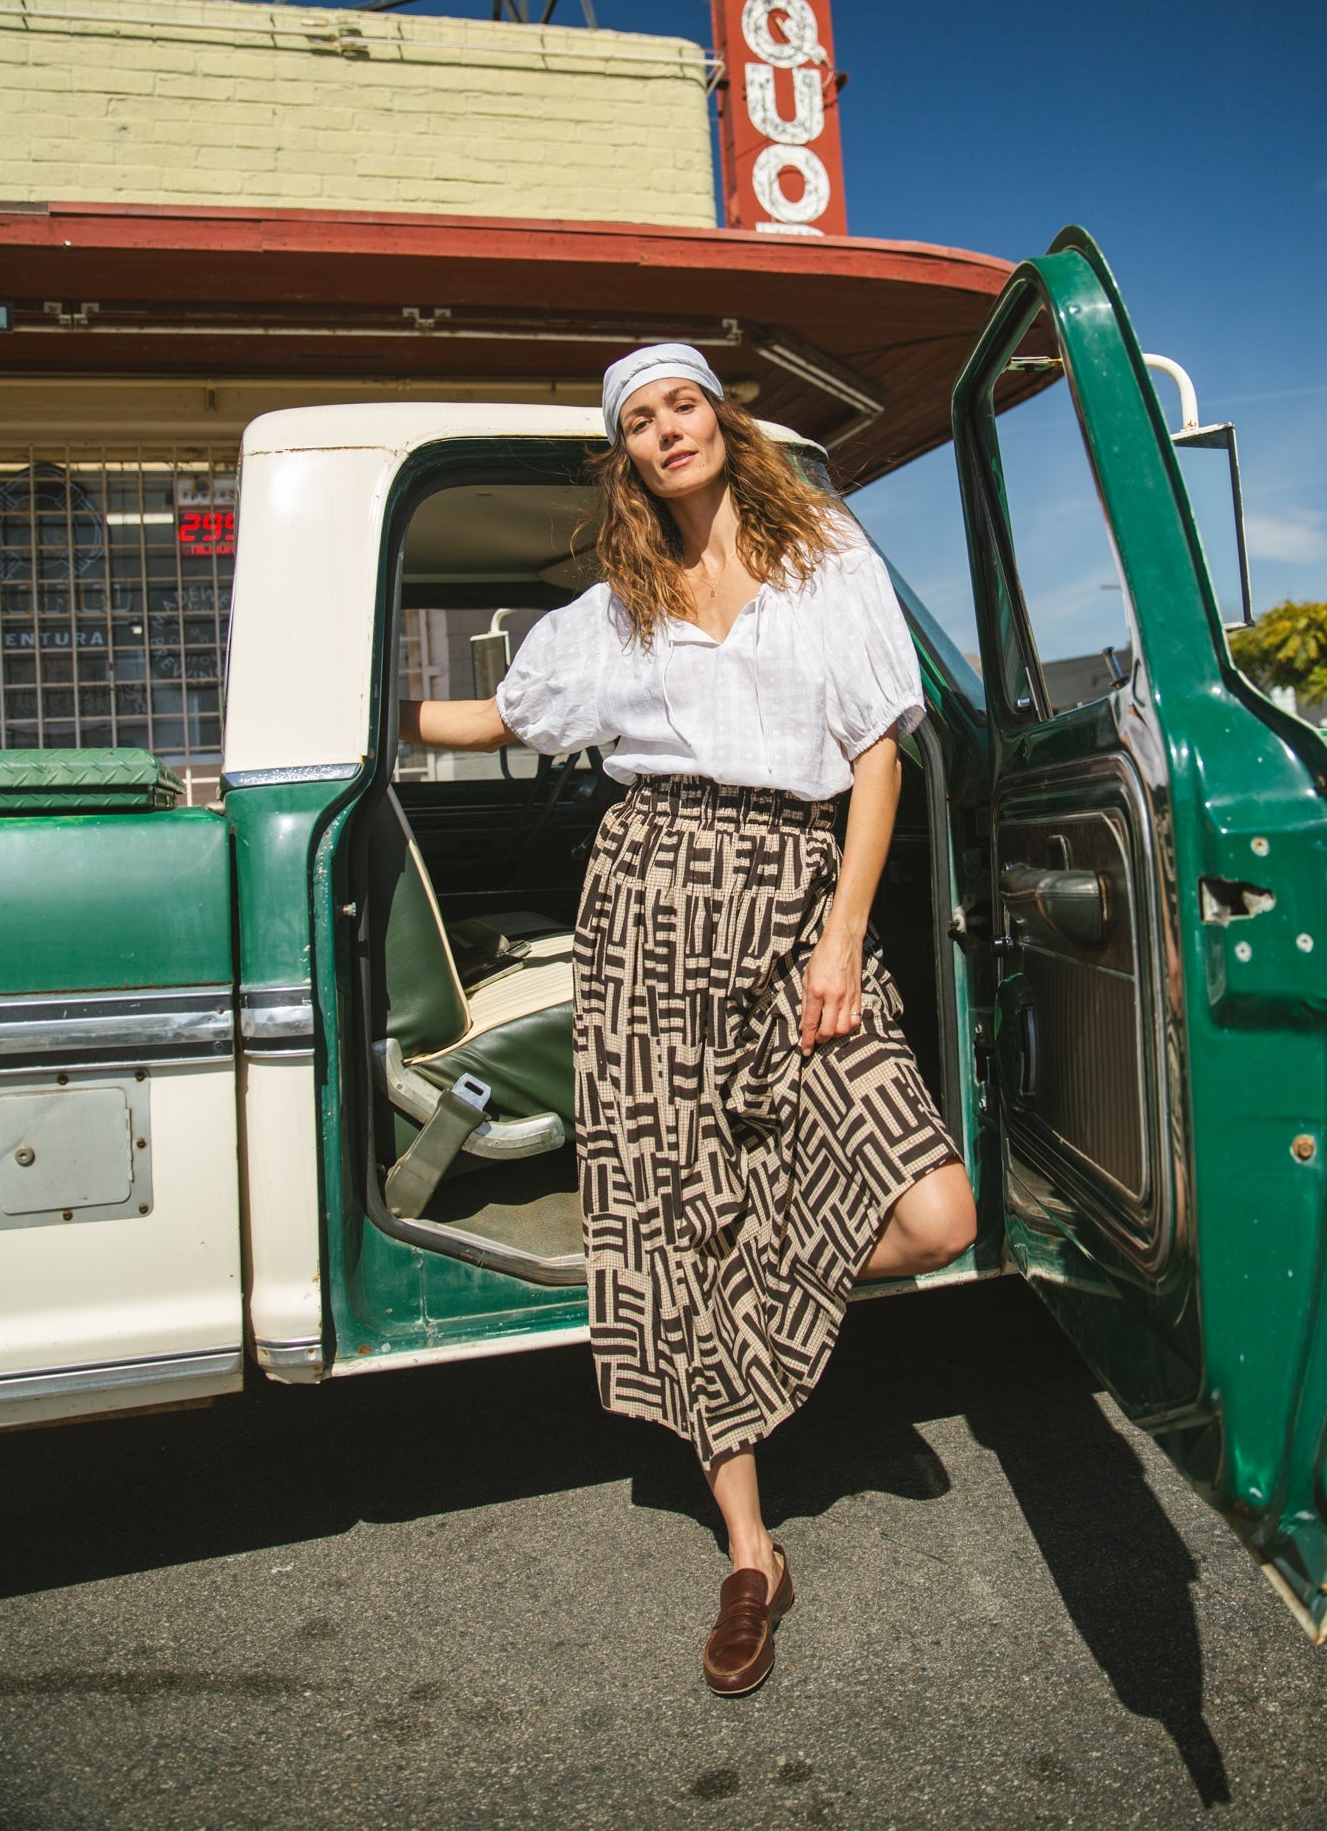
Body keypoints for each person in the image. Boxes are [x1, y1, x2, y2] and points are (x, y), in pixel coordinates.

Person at [399, 342, 977, 1695]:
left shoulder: (825, 552)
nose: (667, 429)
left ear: (720, 417)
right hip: (649, 901)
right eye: (640, 419)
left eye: (682, 403)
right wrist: (361, 713)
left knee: (935, 1208)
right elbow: (502, 716)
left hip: (792, 900)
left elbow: (877, 751)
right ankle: (747, 1550)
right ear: (628, 455)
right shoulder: (620, 606)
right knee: (668, 1214)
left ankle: (760, 1319)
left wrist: (843, 933)